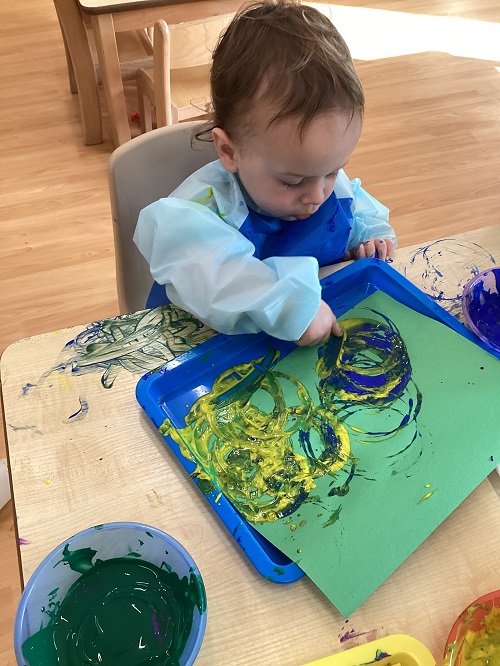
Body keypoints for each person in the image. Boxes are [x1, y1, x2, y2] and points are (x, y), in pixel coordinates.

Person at [134, 0, 396, 346]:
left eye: (334, 170)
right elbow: (212, 273)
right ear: (230, 151)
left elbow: (357, 208)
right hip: (200, 357)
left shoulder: (320, 182)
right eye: (291, 181)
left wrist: (370, 236)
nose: (318, 195)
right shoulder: (199, 211)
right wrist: (287, 304)